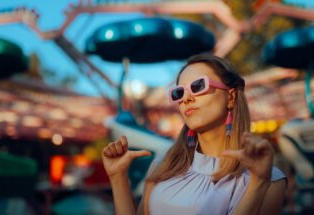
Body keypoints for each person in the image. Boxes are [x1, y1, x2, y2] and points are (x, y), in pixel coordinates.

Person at [102, 54, 287, 215]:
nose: (187, 98)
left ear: (230, 97)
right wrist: (118, 178)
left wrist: (258, 183)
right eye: (179, 92)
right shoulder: (162, 165)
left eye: (198, 86)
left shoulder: (269, 180)